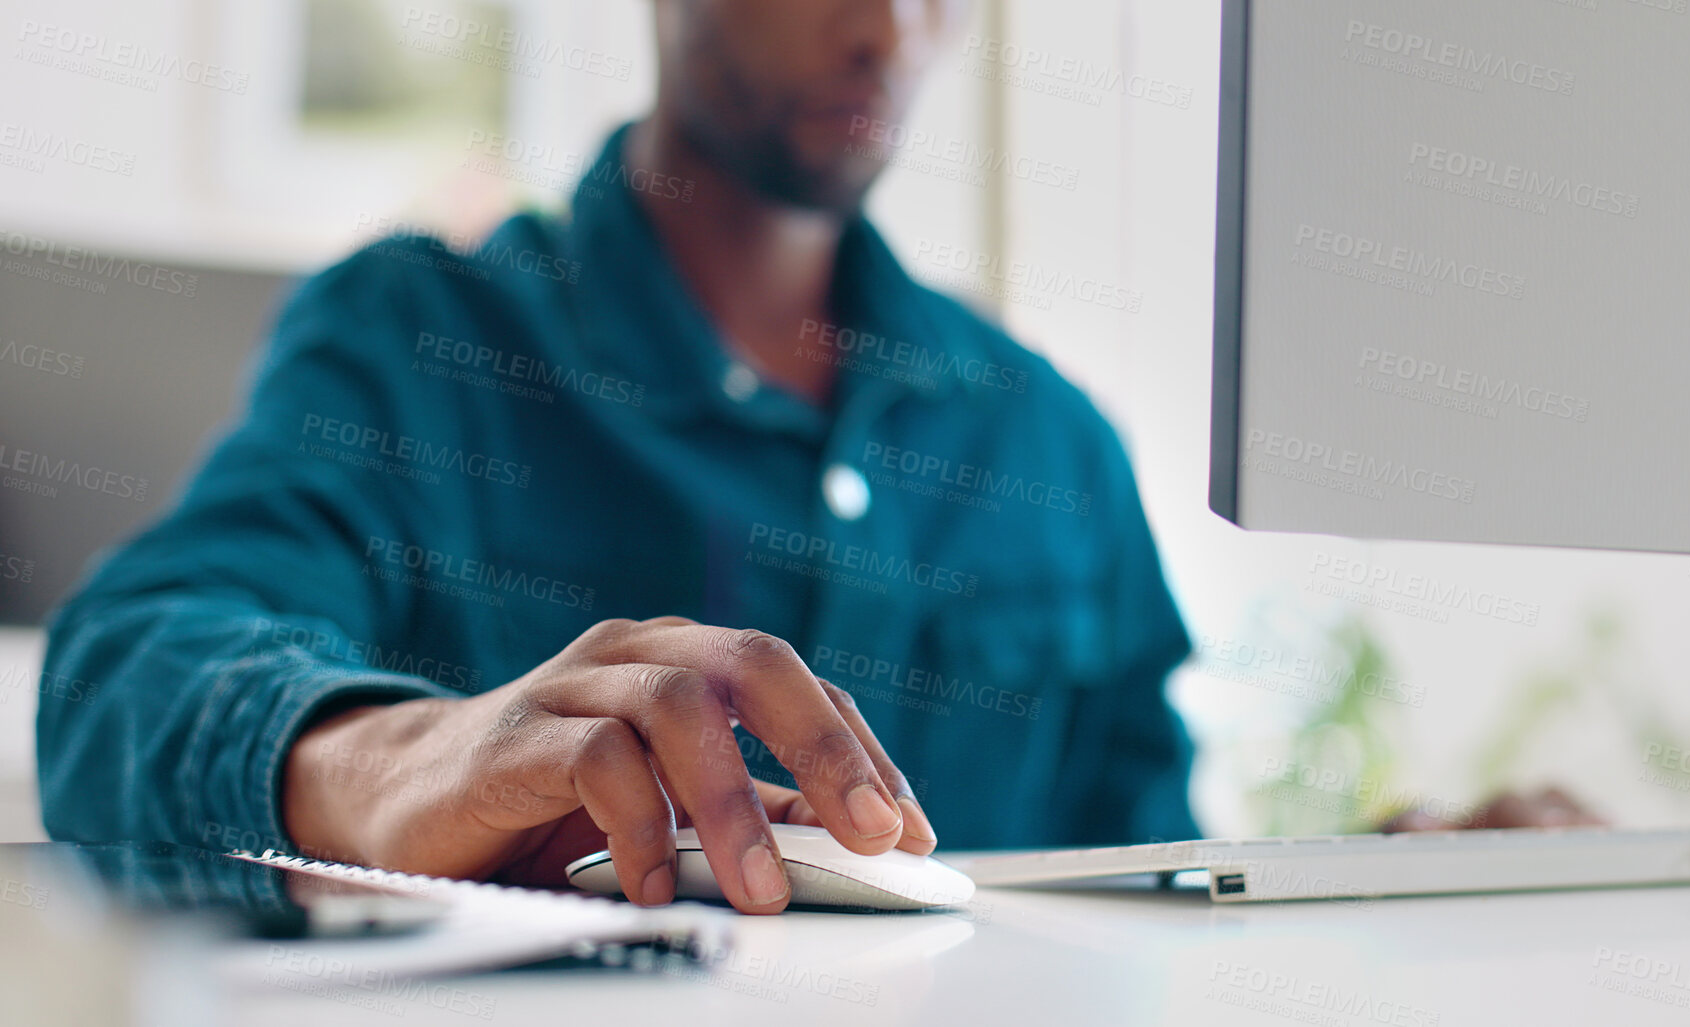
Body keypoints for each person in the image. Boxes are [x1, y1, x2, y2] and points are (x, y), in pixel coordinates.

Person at [36, 0, 1200, 915]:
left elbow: (1156, 870)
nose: (892, 29)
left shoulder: (1052, 440)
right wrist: (415, 761)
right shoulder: (419, 344)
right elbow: (127, 675)